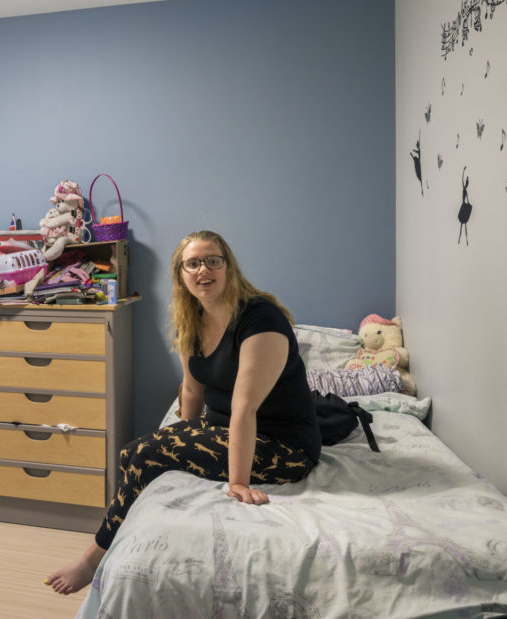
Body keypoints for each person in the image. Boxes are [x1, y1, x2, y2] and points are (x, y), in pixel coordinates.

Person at [45, 230, 322, 595]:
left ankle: (93, 557)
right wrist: (177, 439)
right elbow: (192, 390)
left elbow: (244, 407)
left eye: (213, 261)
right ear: (180, 274)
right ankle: (113, 543)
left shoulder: (260, 319)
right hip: (221, 427)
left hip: (281, 444)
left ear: (228, 268)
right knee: (133, 453)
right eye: (192, 264)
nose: (203, 270)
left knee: (146, 454)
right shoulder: (191, 319)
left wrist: (238, 482)